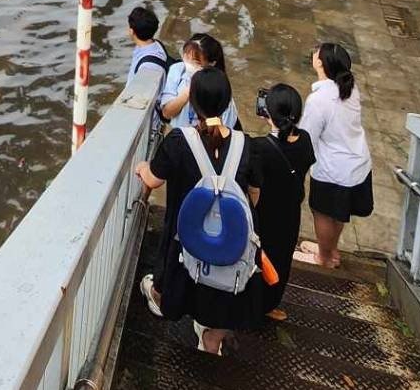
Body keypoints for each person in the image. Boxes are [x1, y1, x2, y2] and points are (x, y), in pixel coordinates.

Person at [134, 68, 268, 354]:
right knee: (225, 288)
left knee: (181, 278)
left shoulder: (179, 141)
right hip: (232, 244)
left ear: (192, 102)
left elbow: (152, 178)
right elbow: (254, 193)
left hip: (184, 240)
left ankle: (158, 297)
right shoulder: (247, 145)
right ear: (227, 101)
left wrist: (141, 168)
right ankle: (211, 340)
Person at [298, 43, 373, 270]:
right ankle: (330, 249)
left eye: (317, 52)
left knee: (322, 211)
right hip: (357, 163)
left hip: (333, 170)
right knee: (339, 212)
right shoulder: (350, 87)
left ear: (320, 63)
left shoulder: (318, 100)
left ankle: (324, 256)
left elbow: (307, 137)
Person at [252, 84, 315, 321]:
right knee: (281, 259)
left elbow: (253, 184)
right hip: (289, 214)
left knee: (258, 256)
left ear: (268, 114)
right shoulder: (305, 140)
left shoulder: (259, 148)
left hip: (264, 214)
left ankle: (249, 304)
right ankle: (270, 304)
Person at [159, 34, 241, 131]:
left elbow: (220, 130)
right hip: (182, 134)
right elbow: (167, 113)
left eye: (196, 62)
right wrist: (186, 93)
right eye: (186, 56)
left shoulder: (217, 86)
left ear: (211, 63)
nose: (188, 64)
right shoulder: (178, 70)